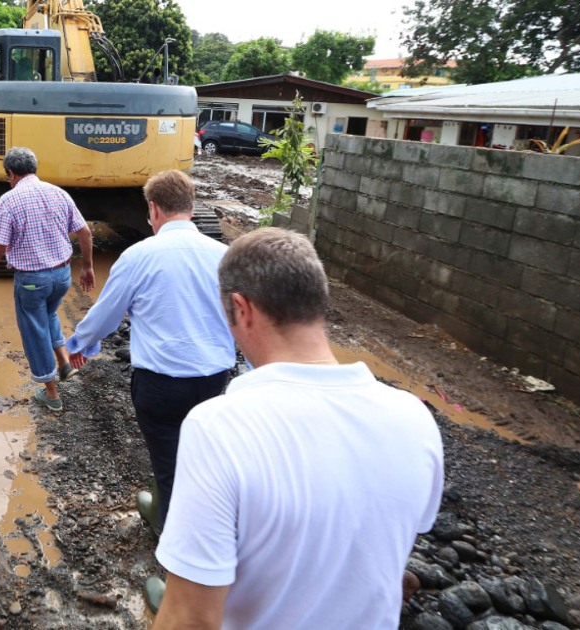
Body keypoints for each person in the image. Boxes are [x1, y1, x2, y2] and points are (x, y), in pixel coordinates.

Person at [152, 228, 445, 628]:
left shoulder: (218, 427)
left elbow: (190, 619)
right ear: (317, 302)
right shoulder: (415, 418)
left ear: (242, 308)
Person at [66, 169, 235, 535]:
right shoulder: (226, 256)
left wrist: (79, 344)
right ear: (190, 208)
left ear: (154, 209)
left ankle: (175, 554)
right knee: (199, 453)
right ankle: (169, 509)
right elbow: (243, 319)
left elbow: (106, 315)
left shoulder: (139, 256)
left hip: (161, 383)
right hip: (214, 380)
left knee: (168, 462)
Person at [0, 147, 95, 411]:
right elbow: (85, 233)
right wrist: (87, 267)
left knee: (33, 331)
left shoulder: (9, 200)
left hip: (32, 281)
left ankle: (51, 393)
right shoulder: (59, 193)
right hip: (62, 275)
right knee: (49, 314)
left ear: (11, 173)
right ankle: (64, 362)